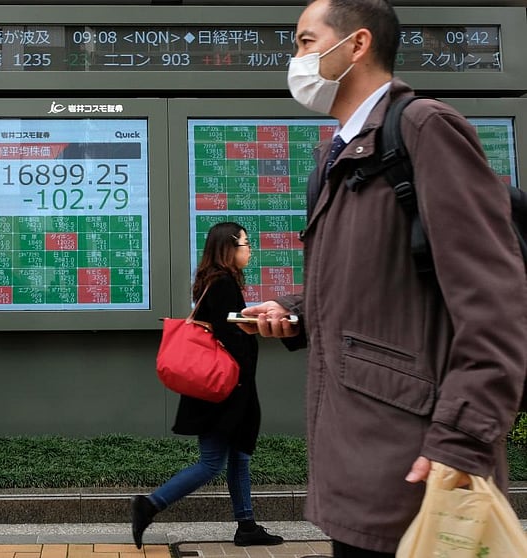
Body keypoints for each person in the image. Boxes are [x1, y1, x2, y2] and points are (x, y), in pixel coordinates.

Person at [238, 1, 527, 556]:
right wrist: (294, 312)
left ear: (357, 45)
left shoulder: (423, 129)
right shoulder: (336, 153)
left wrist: (463, 439)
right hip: (358, 455)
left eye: (304, 41)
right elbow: (374, 283)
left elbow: (496, 299)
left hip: (416, 464)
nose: (295, 59)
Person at [130, 222, 284, 549]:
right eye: (245, 243)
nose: (249, 249)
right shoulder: (223, 283)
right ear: (229, 248)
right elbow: (232, 338)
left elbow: (227, 328)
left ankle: (246, 525)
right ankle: (150, 504)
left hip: (225, 389)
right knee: (212, 463)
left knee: (239, 457)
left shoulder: (212, 281)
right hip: (225, 391)